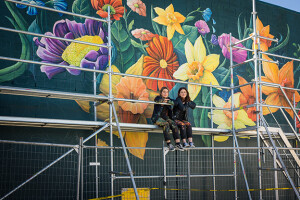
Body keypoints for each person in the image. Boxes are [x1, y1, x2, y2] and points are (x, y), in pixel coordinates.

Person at [151, 87, 184, 151]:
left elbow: (175, 103)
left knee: (173, 123)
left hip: (165, 118)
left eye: (167, 92)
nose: (165, 93)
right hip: (157, 118)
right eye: (164, 92)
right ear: (161, 93)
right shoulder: (158, 98)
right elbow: (157, 100)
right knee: (166, 124)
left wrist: (169, 101)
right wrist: (166, 101)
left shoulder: (169, 99)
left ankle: (178, 143)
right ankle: (169, 144)